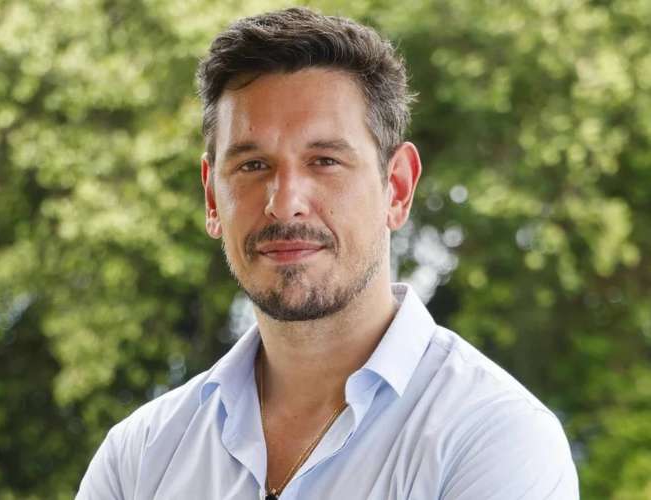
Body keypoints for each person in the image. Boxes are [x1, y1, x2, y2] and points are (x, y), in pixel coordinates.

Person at [77, 7, 579, 499]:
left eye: (324, 161)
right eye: (252, 165)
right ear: (212, 198)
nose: (284, 203)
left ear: (397, 187)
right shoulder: (138, 458)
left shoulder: (494, 438)